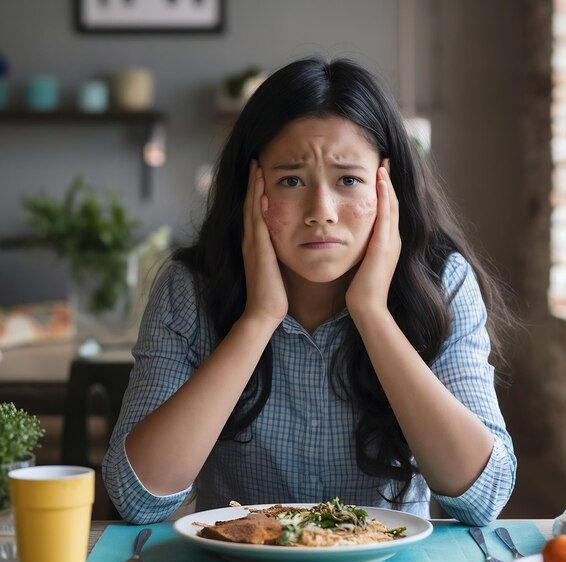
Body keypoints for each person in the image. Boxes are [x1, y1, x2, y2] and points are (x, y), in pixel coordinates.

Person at [102, 57, 516, 526]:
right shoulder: (189, 289)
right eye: (291, 180)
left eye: (349, 180)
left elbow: (483, 498)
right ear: (249, 189)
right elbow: (136, 498)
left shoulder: (442, 282)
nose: (322, 211)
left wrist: (372, 314)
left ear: (388, 188)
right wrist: (257, 320)